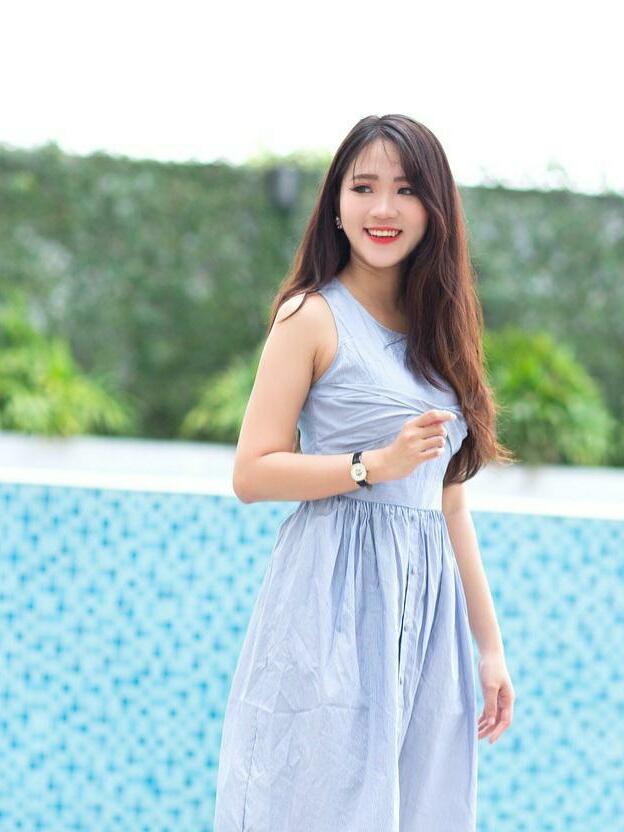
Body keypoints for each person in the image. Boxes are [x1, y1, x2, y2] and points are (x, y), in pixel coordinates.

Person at [213, 113, 515, 832]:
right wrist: (370, 465)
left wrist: (490, 648)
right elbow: (252, 472)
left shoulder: (440, 333)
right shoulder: (311, 317)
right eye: (364, 187)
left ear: (434, 209)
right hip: (332, 601)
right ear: (336, 205)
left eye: (406, 190)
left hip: (428, 613)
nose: (384, 208)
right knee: (320, 801)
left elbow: (451, 505)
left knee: (421, 807)